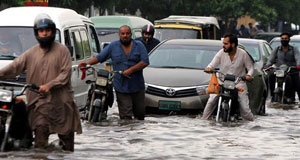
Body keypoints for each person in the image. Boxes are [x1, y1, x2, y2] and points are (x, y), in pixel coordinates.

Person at [0, 13, 82, 151]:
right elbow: (15, 67)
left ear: (52, 31)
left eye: (47, 30)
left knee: (67, 146)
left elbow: (65, 74)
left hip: (61, 104)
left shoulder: (63, 51)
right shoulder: (31, 53)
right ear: (37, 33)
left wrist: (49, 86)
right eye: (41, 31)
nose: (44, 34)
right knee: (40, 142)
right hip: (39, 104)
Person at [78, 25, 149, 120]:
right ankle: (126, 133)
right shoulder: (113, 46)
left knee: (140, 115)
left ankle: (137, 134)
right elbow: (100, 57)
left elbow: (145, 61)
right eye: (123, 34)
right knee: (125, 116)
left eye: (127, 33)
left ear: (131, 35)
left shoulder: (139, 45)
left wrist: (130, 71)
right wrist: (87, 64)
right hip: (121, 86)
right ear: (119, 35)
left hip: (137, 86)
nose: (125, 35)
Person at [201, 33, 255, 121]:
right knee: (211, 101)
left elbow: (250, 68)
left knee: (245, 109)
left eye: (226, 44)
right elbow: (212, 64)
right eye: (223, 43)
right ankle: (203, 121)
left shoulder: (243, 54)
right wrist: (209, 68)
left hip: (238, 82)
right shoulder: (221, 53)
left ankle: (252, 126)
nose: (223, 46)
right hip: (222, 81)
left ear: (233, 44)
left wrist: (248, 75)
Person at [265, 32, 300, 102]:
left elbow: (298, 58)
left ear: (289, 40)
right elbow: (270, 59)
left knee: (297, 82)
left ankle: (293, 96)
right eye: (282, 39)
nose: (284, 40)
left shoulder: (294, 49)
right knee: (271, 77)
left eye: (286, 39)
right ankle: (272, 95)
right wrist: (267, 66)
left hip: (291, 71)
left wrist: (298, 65)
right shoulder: (276, 49)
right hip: (278, 71)